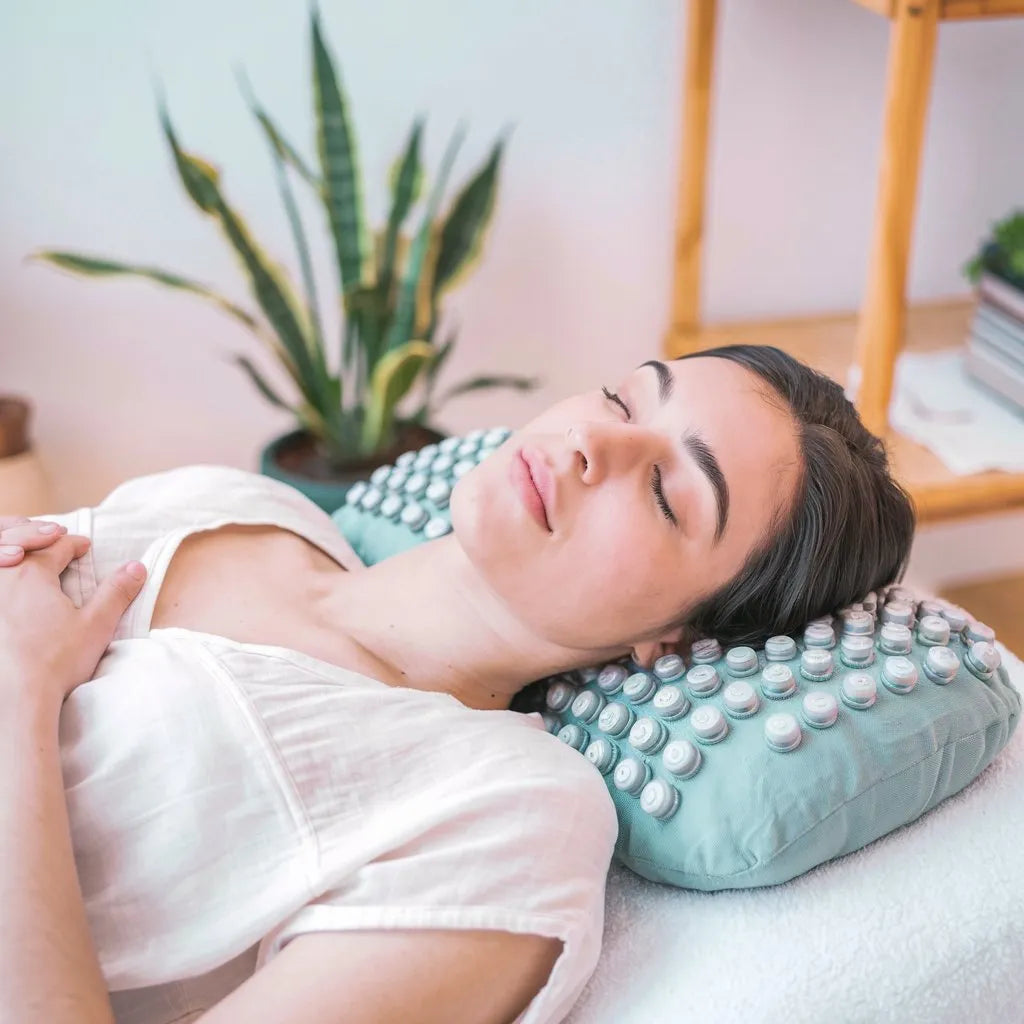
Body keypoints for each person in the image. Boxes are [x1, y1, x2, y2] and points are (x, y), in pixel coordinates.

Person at [0, 345, 915, 1024]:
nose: (593, 441)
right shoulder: (239, 502)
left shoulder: (510, 816)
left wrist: (20, 695)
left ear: (679, 637)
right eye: (622, 397)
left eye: (665, 494)